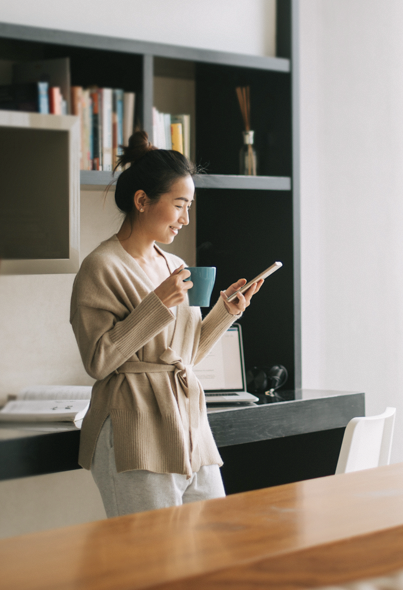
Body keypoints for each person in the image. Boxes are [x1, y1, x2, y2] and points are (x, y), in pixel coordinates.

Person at [70, 131, 263, 517]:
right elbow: (99, 361)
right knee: (152, 562)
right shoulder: (100, 268)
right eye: (178, 206)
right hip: (134, 427)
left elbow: (182, 355)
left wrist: (227, 312)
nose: (185, 219)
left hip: (189, 424)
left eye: (189, 206)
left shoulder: (174, 265)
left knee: (213, 548)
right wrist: (156, 304)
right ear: (142, 201)